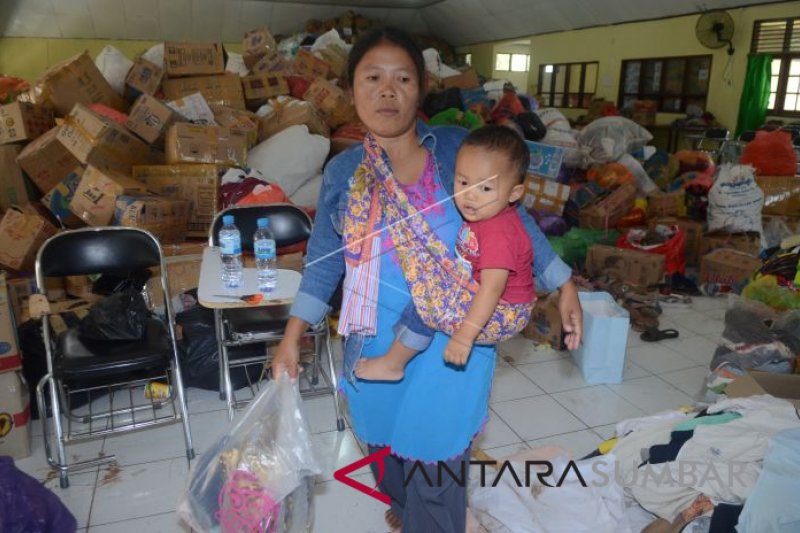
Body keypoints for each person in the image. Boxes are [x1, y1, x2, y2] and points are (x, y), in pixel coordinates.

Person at [272, 26, 583, 532]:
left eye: (403, 79)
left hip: (451, 341)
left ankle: (433, 518)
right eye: (373, 78)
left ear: (421, 90)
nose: (387, 91)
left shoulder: (457, 149)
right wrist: (292, 336)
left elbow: (515, 221)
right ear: (352, 90)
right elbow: (325, 260)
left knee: (434, 464)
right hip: (372, 341)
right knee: (386, 456)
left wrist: (563, 282)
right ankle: (417, 507)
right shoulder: (344, 172)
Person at [354, 125, 535, 382]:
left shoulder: (498, 233)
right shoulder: (487, 215)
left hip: (504, 312)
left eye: (485, 188)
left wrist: (465, 336)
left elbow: (493, 289)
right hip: (494, 301)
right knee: (430, 290)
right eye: (463, 182)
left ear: (514, 193)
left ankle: (393, 363)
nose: (470, 195)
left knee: (429, 301)